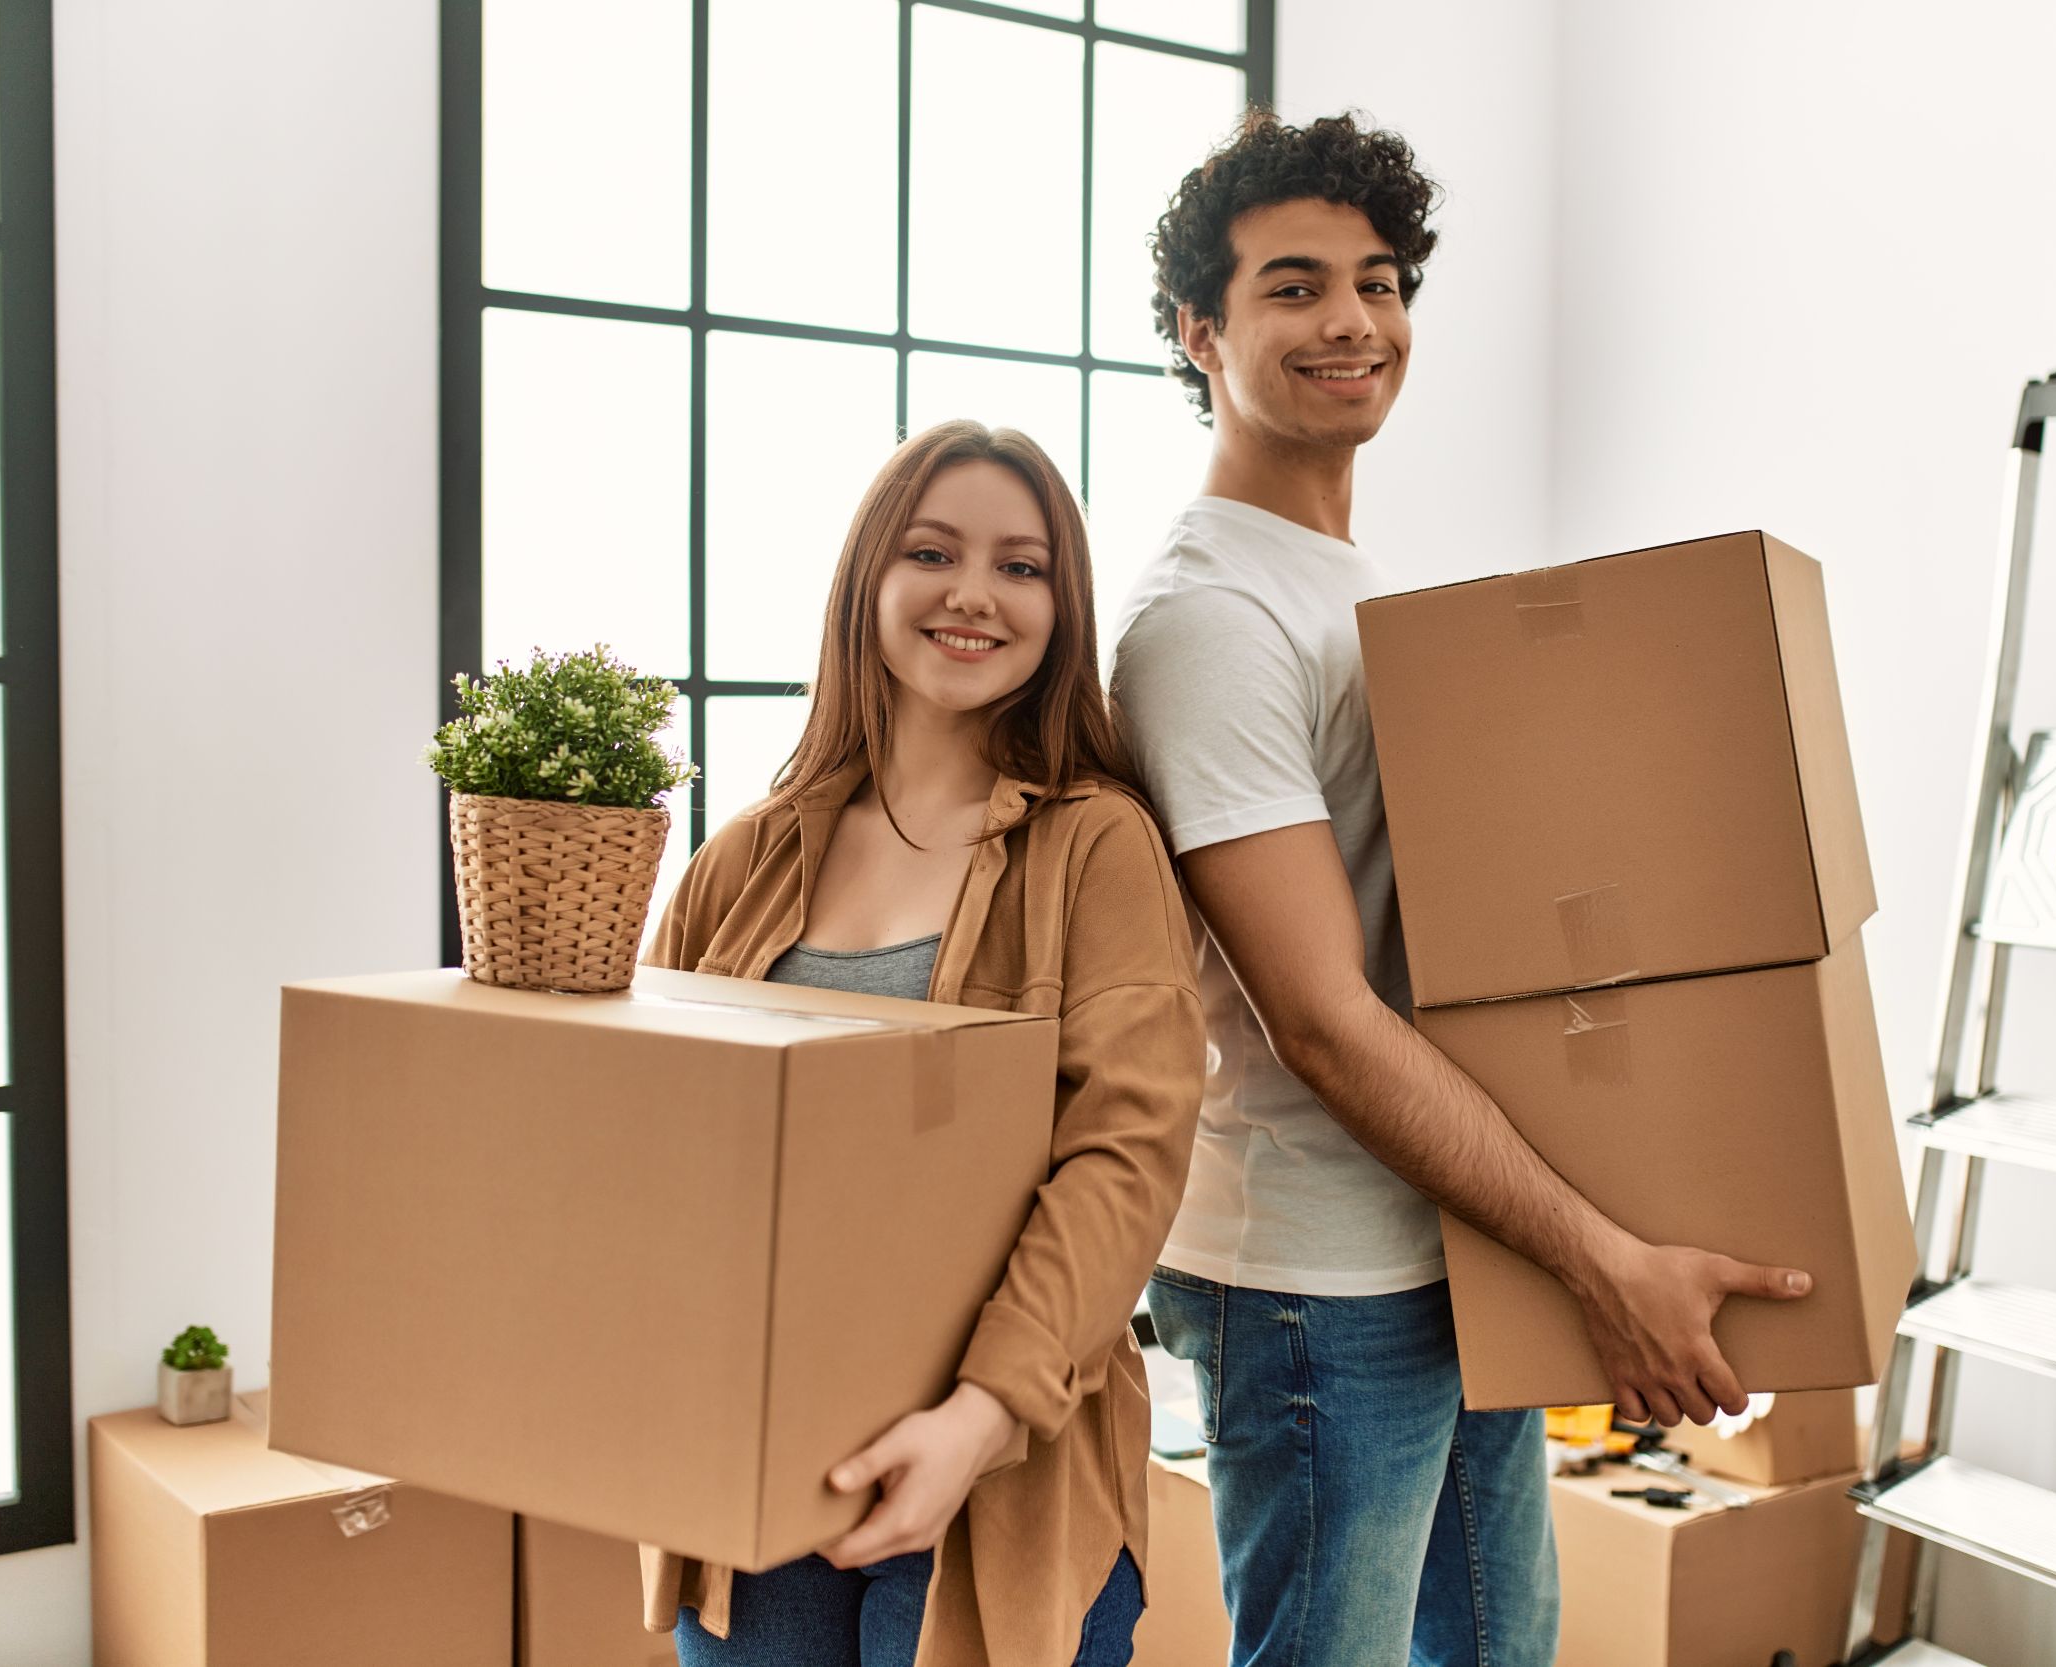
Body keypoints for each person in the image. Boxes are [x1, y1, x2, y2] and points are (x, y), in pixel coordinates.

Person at [1110, 112, 1815, 1666]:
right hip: (1316, 1278)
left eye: (1378, 281)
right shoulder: (1210, 615)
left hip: (1450, 1234)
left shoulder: (1364, 588)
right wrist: (1599, 1255)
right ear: (1199, 331)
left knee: (1501, 1648)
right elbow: (1323, 1016)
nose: (1352, 322)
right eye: (1292, 288)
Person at [639, 420, 1205, 1667]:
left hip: (1005, 1461)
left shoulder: (1095, 847)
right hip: (758, 1456)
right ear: (868, 582)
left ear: (1062, 606)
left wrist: (980, 1414)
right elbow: (657, 1138)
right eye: (933, 551)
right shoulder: (742, 854)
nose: (972, 594)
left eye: (1022, 565)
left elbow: (1128, 1157)